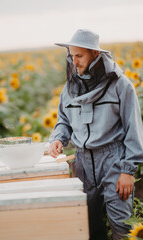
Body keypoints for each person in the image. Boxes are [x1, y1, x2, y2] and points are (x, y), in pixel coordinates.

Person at [48, 29, 143, 240]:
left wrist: (127, 171)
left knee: (122, 227)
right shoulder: (70, 88)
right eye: (72, 56)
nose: (75, 61)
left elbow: (134, 130)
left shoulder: (121, 85)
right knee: (87, 225)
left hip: (113, 163)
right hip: (82, 164)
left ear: (95, 54)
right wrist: (58, 138)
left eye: (79, 56)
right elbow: (63, 120)